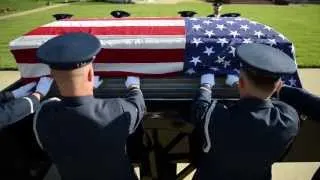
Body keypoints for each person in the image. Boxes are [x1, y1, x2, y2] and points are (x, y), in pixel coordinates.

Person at [33, 32, 146, 180]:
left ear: (52, 76)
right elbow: (138, 105)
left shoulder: (44, 115)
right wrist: (133, 87)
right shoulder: (117, 110)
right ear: (90, 74)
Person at [191, 43, 300, 180]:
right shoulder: (288, 119)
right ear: (278, 85)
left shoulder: (217, 117)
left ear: (240, 83)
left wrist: (205, 86)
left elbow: (200, 109)